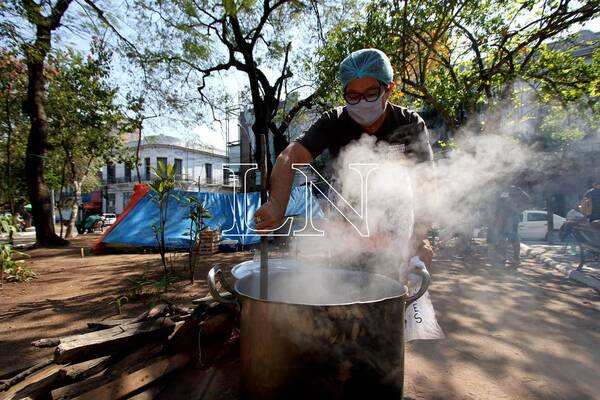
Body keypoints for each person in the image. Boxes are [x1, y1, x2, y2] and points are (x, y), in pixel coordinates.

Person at [253, 48, 435, 272]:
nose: (362, 102)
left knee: (391, 292)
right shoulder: (333, 122)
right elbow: (291, 156)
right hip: (346, 235)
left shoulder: (409, 123)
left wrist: (420, 238)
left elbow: (426, 185)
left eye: (370, 94)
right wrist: (276, 204)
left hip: (394, 235)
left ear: (388, 89)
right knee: (345, 292)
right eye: (353, 96)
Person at [489, 184, 530, 266]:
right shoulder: (500, 190)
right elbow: (495, 205)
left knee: (513, 237)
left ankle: (516, 259)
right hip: (501, 217)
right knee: (501, 238)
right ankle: (503, 258)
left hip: (512, 217)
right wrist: (495, 217)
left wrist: (518, 210)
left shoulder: (515, 190)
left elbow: (528, 201)